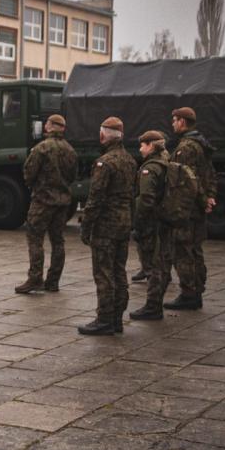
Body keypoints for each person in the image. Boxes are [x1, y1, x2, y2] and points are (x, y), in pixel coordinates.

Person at [78, 117, 135, 334]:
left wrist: (86, 226)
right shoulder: (130, 160)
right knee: (119, 271)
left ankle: (104, 319)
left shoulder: (105, 162)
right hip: (123, 223)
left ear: (103, 135)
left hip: (106, 226)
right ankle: (117, 319)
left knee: (103, 273)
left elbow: (95, 199)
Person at [15, 114, 77, 294]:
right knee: (58, 241)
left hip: (42, 201)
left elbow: (28, 173)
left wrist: (36, 186)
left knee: (35, 239)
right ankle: (53, 281)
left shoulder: (41, 148)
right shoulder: (70, 150)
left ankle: (35, 278)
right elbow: (73, 176)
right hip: (63, 202)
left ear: (49, 127)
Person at [165, 106, 216, 310]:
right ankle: (198, 289)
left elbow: (188, 180)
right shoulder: (202, 144)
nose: (172, 123)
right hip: (197, 208)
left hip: (186, 209)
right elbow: (210, 173)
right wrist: (210, 196)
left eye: (175, 120)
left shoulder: (185, 148)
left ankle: (189, 293)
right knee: (196, 249)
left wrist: (202, 200)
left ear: (183, 122)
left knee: (183, 251)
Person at [129, 130, 173, 321]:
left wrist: (137, 224)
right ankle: (155, 305)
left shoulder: (150, 168)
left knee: (153, 266)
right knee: (162, 263)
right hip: (165, 219)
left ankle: (153, 306)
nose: (140, 148)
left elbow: (145, 199)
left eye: (143, 144)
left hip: (152, 223)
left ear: (151, 146)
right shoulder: (167, 162)